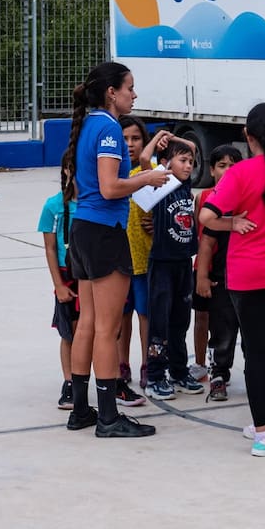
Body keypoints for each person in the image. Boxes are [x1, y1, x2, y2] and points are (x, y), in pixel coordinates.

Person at [64, 61, 171, 438]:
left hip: (84, 229)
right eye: (129, 88)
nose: (134, 94)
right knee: (108, 329)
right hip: (105, 231)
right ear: (112, 92)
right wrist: (147, 177)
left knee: (89, 324)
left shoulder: (90, 124)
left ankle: (81, 410)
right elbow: (110, 187)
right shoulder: (109, 129)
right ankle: (109, 417)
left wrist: (140, 172)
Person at [198, 102, 265, 458]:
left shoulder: (239, 174)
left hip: (246, 275)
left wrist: (231, 223)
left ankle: (264, 430)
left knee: (257, 351)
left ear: (248, 136)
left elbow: (206, 215)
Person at [144, 136, 206, 400]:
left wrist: (177, 140)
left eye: (191, 162)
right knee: (160, 322)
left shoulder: (185, 184)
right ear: (166, 164)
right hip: (162, 264)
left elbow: (191, 146)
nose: (189, 164)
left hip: (183, 263)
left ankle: (179, 371)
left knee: (181, 321)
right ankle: (155, 376)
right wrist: (160, 138)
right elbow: (144, 160)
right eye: (182, 161)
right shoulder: (162, 183)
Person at [194, 144, 244, 402]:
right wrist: (202, 276)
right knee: (221, 331)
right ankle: (218, 375)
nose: (228, 171)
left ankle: (259, 372)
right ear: (211, 170)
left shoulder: (248, 198)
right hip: (222, 277)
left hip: (251, 278)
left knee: (254, 333)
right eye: (222, 165)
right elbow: (205, 242)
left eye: (234, 165)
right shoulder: (215, 202)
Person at [116, 115, 151, 406]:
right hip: (117, 258)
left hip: (145, 258)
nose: (129, 145)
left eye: (135, 139)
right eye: (124, 139)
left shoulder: (149, 172)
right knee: (120, 315)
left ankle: (147, 363)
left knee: (145, 314)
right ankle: (121, 362)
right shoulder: (110, 173)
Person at [39, 166, 78, 410]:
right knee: (69, 334)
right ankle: (70, 382)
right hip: (67, 276)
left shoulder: (96, 204)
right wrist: (59, 285)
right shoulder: (53, 206)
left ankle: (112, 381)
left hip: (94, 276)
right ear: (67, 171)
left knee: (102, 331)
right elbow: (51, 249)